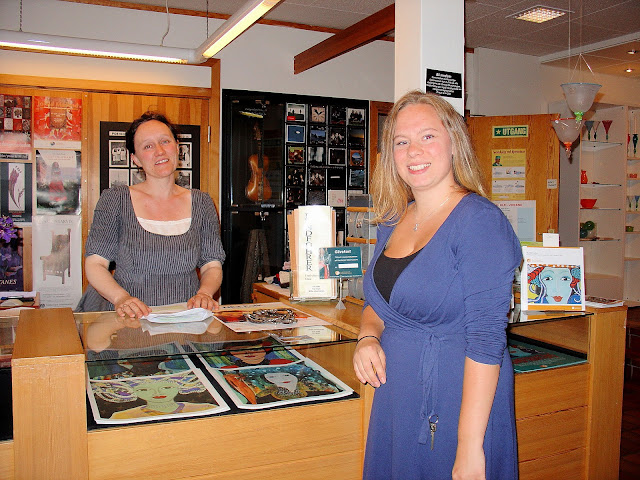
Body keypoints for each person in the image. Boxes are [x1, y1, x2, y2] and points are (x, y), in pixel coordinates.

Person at [352, 90, 522, 480]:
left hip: (457, 401)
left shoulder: (480, 221)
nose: (414, 151)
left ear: (453, 142)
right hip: (397, 397)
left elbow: (485, 338)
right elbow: (381, 305)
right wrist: (367, 337)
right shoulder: (394, 220)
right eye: (401, 141)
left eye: (427, 136)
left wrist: (469, 446)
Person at [77, 112, 225, 318]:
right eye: (148, 146)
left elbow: (212, 264)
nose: (159, 150)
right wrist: (121, 298)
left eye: (165, 141)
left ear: (177, 146)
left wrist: (205, 293)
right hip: (128, 322)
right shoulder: (116, 200)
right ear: (135, 159)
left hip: (184, 319)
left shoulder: (202, 202)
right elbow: (95, 263)